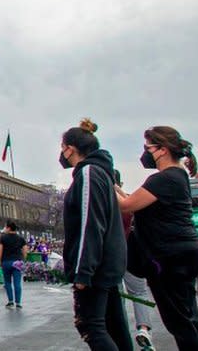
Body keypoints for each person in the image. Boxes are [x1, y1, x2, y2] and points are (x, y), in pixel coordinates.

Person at [116, 126, 198, 350]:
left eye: (147, 147)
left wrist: (101, 182)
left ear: (162, 150)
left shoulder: (164, 179)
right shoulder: (176, 176)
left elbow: (127, 205)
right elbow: (135, 199)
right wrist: (116, 187)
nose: (145, 153)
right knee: (188, 316)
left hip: (170, 256)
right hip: (183, 252)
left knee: (179, 321)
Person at [59, 119, 132, 351]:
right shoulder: (100, 172)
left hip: (97, 267)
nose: (61, 153)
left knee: (91, 326)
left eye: (62, 147)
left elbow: (91, 224)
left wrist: (83, 271)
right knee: (114, 326)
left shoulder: (89, 173)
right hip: (106, 264)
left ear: (70, 148)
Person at [114, 169, 156, 350]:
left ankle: (120, 334)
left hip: (111, 257)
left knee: (117, 298)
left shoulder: (98, 202)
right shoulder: (128, 202)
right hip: (131, 253)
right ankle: (144, 329)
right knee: (138, 293)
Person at [0, 221, 28, 308]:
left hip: (6, 262)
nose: (5, 229)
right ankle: (18, 302)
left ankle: (10, 301)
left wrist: (0, 261)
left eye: (6, 227)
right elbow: (25, 250)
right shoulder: (21, 238)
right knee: (17, 283)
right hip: (17, 262)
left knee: (7, 282)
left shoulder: (3, 238)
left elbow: (0, 251)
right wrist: (23, 260)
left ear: (9, 228)